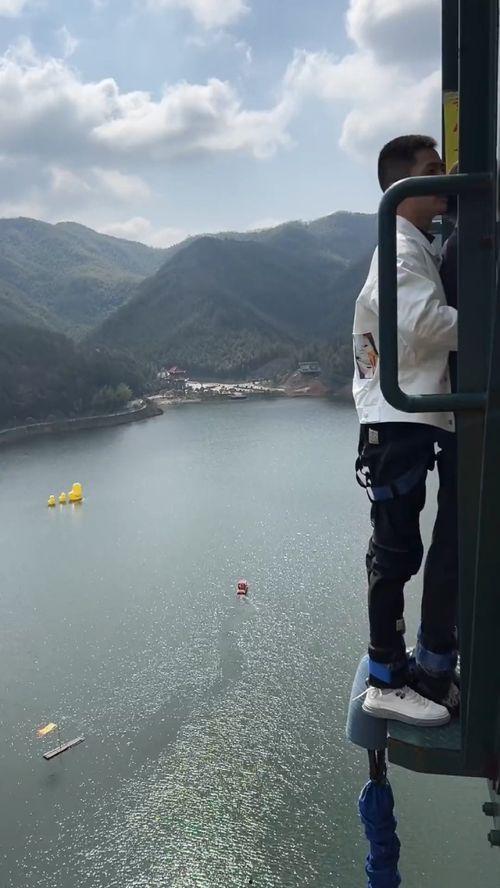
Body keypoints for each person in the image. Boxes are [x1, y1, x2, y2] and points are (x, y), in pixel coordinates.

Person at [353, 135, 459, 726]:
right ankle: (385, 679)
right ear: (401, 187)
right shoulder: (397, 249)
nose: (442, 178)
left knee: (398, 548)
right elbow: (421, 322)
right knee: (394, 551)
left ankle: (396, 668)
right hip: (394, 422)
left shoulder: (413, 245)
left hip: (404, 421)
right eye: (431, 169)